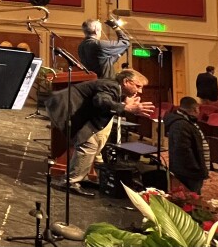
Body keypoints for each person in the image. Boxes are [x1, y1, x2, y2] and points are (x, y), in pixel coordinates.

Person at [46, 69, 154, 197]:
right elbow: (101, 101)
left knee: (93, 145)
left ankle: (79, 177)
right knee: (88, 146)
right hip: (68, 110)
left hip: (80, 114)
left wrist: (124, 104)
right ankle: (70, 182)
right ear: (126, 82)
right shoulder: (111, 86)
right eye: (138, 86)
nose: (140, 91)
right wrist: (126, 107)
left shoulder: (115, 87)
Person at [164, 97, 210, 193]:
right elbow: (184, 150)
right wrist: (196, 169)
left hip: (187, 170)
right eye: (198, 109)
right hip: (189, 173)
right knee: (191, 198)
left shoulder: (185, 121)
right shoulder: (181, 125)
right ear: (195, 109)